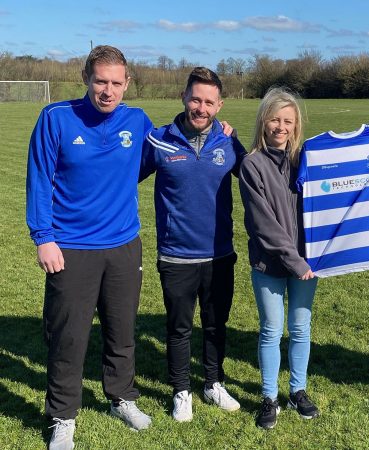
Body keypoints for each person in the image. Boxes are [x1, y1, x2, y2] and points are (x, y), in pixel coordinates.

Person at [26, 45, 153, 450]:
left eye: (117, 83)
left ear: (127, 83)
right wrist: (43, 238)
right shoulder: (56, 118)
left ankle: (121, 397)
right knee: (69, 337)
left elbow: (157, 158)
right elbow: (39, 180)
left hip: (123, 246)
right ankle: (63, 416)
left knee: (122, 330)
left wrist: (221, 130)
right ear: (86, 78)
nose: (108, 90)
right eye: (101, 81)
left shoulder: (138, 120)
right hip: (70, 248)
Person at [139, 67, 247, 422]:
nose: (201, 108)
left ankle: (213, 383)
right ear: (184, 97)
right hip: (176, 256)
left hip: (220, 255)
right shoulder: (158, 141)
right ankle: (181, 390)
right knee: (179, 327)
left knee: (216, 325)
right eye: (196, 99)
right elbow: (121, 177)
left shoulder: (229, 143)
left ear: (220, 105)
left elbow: (260, 178)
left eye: (209, 102)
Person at [239, 87, 320, 430]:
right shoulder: (252, 164)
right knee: (271, 330)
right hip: (271, 265)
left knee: (300, 329)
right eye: (275, 119)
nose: (281, 126)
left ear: (296, 124)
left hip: (308, 263)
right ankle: (269, 397)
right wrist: (295, 261)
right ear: (263, 120)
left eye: (288, 120)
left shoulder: (306, 159)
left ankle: (297, 391)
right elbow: (263, 225)